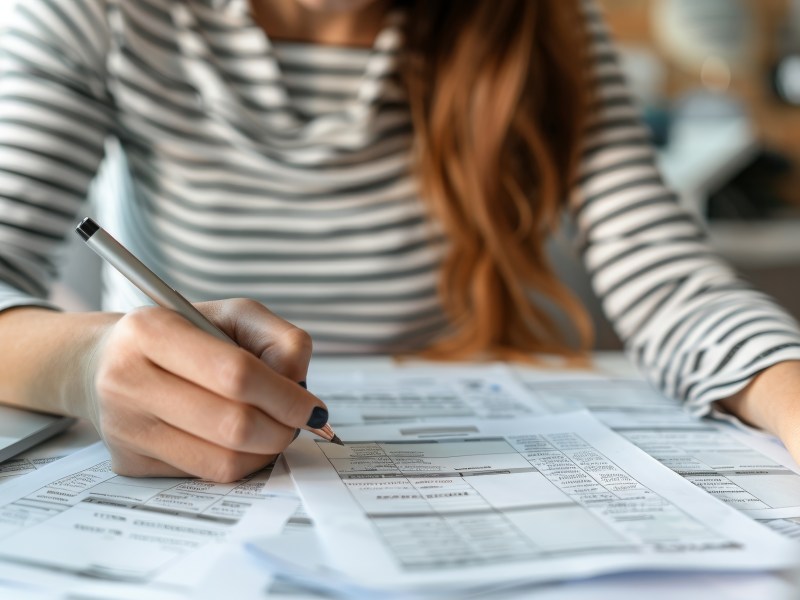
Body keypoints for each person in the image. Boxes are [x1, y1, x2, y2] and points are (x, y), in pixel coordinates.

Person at [0, 0, 798, 483]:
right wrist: (86, 364)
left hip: (443, 452)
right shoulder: (93, 14)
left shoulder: (541, 25)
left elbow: (668, 283)